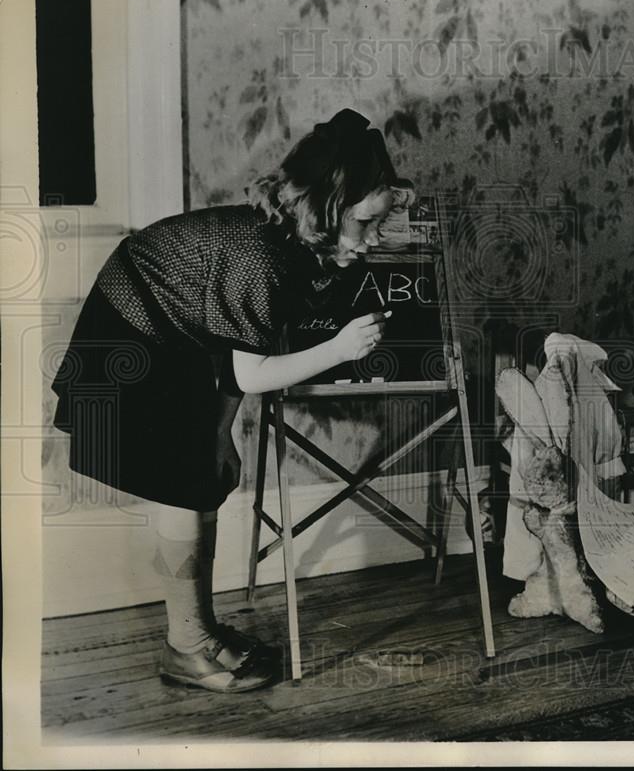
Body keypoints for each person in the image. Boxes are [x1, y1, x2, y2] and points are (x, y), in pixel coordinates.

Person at [51, 108, 414, 692]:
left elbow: (230, 354)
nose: (375, 239)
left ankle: (198, 630)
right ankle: (185, 648)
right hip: (133, 331)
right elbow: (252, 372)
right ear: (324, 210)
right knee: (182, 489)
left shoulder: (297, 244)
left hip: (184, 333)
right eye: (366, 223)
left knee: (202, 478)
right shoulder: (262, 258)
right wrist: (342, 348)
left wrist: (219, 433)